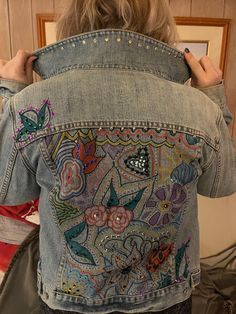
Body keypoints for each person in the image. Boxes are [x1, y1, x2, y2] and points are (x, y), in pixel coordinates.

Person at [0, 0, 235, 313]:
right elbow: (221, 184)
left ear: (74, 19)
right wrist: (214, 98)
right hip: (166, 299)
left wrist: (11, 93)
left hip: (70, 300)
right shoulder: (199, 109)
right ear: (158, 21)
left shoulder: (32, 104)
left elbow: (8, 190)